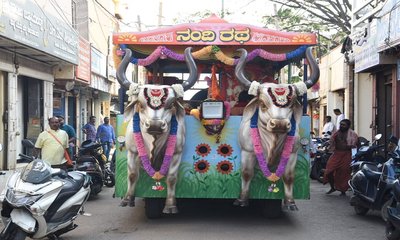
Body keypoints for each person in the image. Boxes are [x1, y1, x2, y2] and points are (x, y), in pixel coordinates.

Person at [324, 119, 358, 196]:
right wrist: (328, 148)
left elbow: (356, 145)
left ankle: (343, 191)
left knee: (344, 172)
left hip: (347, 154)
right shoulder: (336, 133)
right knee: (329, 171)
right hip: (336, 154)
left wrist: (354, 156)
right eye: (341, 124)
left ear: (348, 126)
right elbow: (331, 143)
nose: (341, 126)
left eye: (343, 125)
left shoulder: (353, 134)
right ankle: (333, 187)